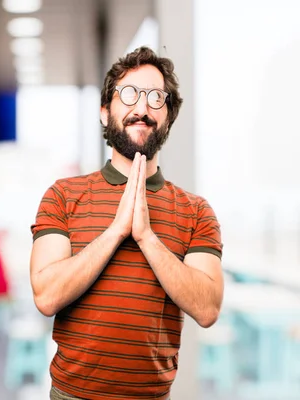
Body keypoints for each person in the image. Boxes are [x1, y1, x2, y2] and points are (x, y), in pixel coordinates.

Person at [30, 46, 223, 400]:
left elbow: (208, 308)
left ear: (168, 117)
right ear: (105, 113)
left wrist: (147, 237)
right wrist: (116, 231)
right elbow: (46, 296)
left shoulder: (196, 210)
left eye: (156, 97)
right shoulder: (63, 195)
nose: (142, 108)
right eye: (129, 94)